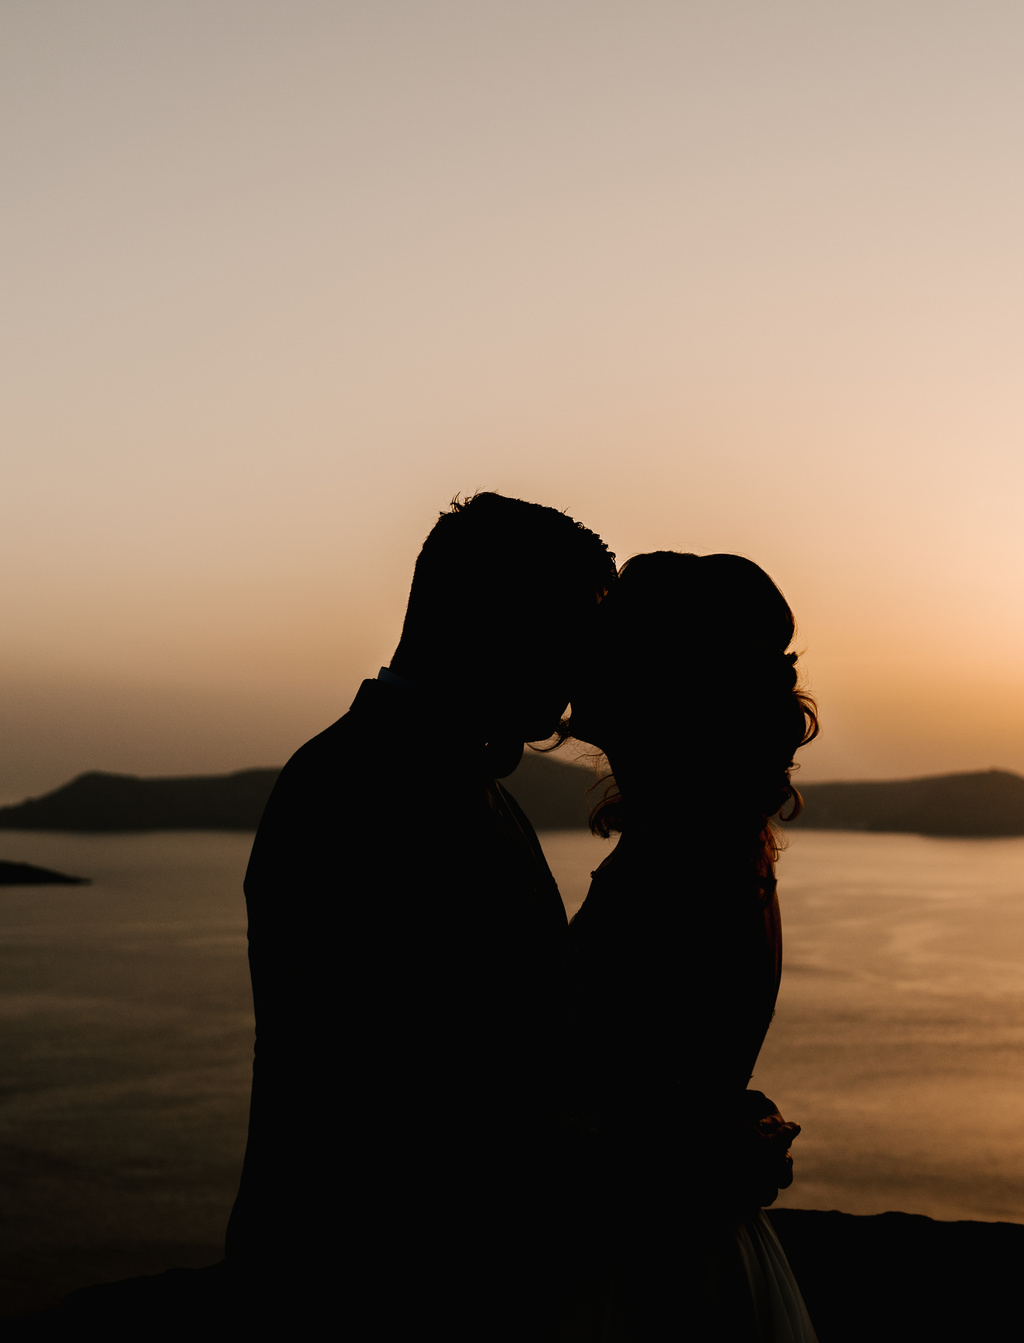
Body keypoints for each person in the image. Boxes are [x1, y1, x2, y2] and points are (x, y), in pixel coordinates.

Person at [224, 492, 617, 1337]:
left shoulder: (444, 780)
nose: (580, 680)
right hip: (368, 1288)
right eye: (570, 639)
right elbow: (426, 1093)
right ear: (495, 621)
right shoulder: (354, 794)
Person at [563, 551, 819, 1342]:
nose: (581, 654)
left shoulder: (683, 862)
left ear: (663, 681)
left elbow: (637, 1112)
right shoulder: (718, 845)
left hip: (652, 1272)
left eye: (609, 641)